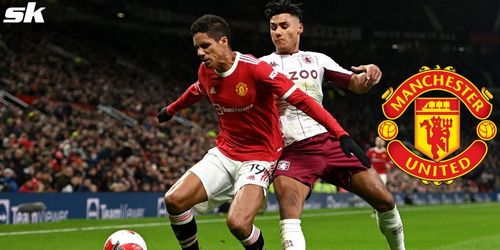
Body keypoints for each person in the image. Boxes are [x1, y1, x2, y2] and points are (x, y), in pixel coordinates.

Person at [157, 14, 368, 250]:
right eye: (197, 47)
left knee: (237, 223)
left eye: (205, 46)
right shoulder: (205, 71)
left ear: (223, 41)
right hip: (226, 153)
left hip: (260, 156)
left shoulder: (257, 70)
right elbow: (196, 90)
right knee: (174, 200)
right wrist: (171, 109)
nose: (200, 53)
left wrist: (341, 134)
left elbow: (303, 100)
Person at [260, 1, 405, 249]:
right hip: (291, 149)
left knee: (385, 200)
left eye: (284, 26)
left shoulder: (317, 59)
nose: (278, 32)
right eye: (273, 27)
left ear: (299, 28)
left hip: (330, 142)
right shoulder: (261, 65)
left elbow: (355, 83)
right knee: (289, 212)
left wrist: (369, 75)